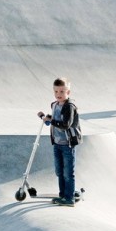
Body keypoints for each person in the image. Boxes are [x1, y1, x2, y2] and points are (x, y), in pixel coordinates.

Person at [37, 77, 82, 207]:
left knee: (68, 172)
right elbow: (55, 119)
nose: (59, 94)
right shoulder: (54, 105)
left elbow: (65, 124)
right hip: (57, 144)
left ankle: (69, 199)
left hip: (67, 144)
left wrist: (51, 121)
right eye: (56, 91)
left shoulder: (70, 107)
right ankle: (63, 194)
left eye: (62, 91)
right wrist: (47, 118)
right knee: (59, 171)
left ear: (68, 92)